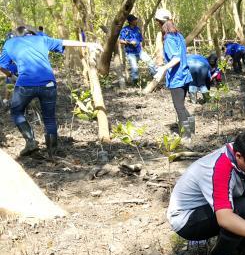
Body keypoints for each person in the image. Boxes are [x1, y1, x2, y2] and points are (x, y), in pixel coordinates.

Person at [0, 26, 100, 157]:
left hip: (25, 84)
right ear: (31, 33)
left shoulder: (10, 42)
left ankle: (31, 142)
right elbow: (65, 42)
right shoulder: (42, 39)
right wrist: (89, 44)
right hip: (48, 83)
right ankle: (53, 151)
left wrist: (10, 74)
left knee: (16, 111)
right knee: (49, 117)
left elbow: (2, 65)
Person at [153, 9, 193, 143]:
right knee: (181, 105)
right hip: (185, 75)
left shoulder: (169, 38)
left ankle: (186, 137)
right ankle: (191, 129)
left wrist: (162, 69)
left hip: (177, 77)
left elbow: (176, 58)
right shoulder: (178, 35)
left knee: (179, 107)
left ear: (159, 22)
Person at [119, 14, 156, 84]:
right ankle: (135, 83)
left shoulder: (137, 29)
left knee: (150, 62)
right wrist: (129, 42)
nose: (136, 21)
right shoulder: (125, 30)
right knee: (135, 68)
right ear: (131, 21)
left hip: (139, 51)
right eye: (135, 20)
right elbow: (121, 41)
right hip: (130, 53)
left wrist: (141, 47)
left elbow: (140, 40)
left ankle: (155, 77)